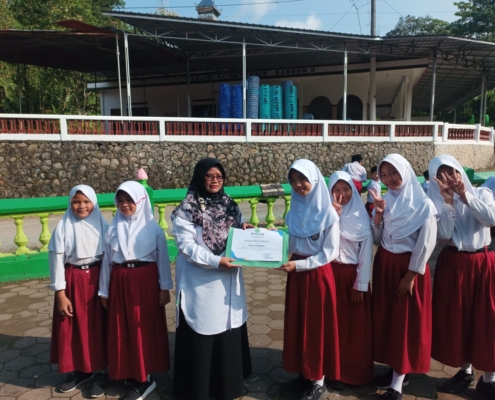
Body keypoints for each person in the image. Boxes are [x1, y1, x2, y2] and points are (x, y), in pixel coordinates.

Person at [171, 158, 252, 400]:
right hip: (200, 281)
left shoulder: (229, 204)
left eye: (219, 176)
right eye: (209, 175)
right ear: (199, 177)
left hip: (227, 278)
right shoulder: (187, 208)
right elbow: (186, 247)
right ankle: (199, 389)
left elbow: (234, 232)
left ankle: (227, 386)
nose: (215, 180)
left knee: (227, 326)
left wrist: (245, 229)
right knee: (203, 327)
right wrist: (216, 261)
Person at [369, 154, 438, 400]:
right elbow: (377, 239)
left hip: (409, 269)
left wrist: (410, 276)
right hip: (385, 266)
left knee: (404, 323)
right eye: (384, 174)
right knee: (388, 319)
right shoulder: (387, 201)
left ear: (405, 172)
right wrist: (378, 215)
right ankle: (396, 370)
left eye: (393, 173)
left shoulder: (424, 205)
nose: (389, 179)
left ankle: (397, 386)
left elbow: (426, 244)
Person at [428, 154, 495, 398]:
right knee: (458, 317)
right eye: (440, 175)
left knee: (486, 317)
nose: (448, 178)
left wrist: (465, 196)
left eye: (451, 171)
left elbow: (491, 220)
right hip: (453, 263)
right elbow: (444, 236)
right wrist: (448, 202)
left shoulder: (482, 193)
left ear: (459, 171)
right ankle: (465, 370)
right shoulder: (436, 202)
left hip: (482, 262)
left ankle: (489, 378)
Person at [99, 181, 172, 400]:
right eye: (120, 200)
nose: (125, 205)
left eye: (130, 200)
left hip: (145, 281)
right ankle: (130, 370)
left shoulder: (153, 229)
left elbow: (163, 260)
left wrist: (164, 288)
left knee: (143, 327)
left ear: (140, 201)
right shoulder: (113, 229)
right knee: (123, 327)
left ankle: (145, 378)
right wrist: (104, 291)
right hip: (120, 281)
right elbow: (107, 262)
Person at [279, 159, 340, 400]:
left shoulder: (328, 214)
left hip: (317, 276)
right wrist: (272, 240)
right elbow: (292, 244)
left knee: (316, 326)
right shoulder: (293, 212)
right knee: (298, 324)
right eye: (293, 180)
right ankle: (303, 374)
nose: (298, 185)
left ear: (314, 180)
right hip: (297, 276)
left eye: (302, 179)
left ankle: (318, 380)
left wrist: (300, 265)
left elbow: (330, 253)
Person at [48, 185, 109, 397]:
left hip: (97, 279)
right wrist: (60, 294)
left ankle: (101, 371)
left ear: (94, 203)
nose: (81, 206)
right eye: (76, 202)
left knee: (97, 326)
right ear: (70, 203)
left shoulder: (104, 227)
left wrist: (106, 289)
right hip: (72, 279)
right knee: (73, 326)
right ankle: (80, 371)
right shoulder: (63, 227)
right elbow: (56, 260)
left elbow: (109, 259)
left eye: (86, 202)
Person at [328, 171, 374, 389]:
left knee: (353, 328)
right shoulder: (326, 214)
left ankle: (354, 373)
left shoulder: (361, 218)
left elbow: (366, 255)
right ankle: (331, 371)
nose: (342, 194)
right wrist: (334, 217)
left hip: (352, 278)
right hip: (330, 275)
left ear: (353, 191)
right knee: (332, 326)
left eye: (346, 189)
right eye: (336, 189)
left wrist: (360, 285)